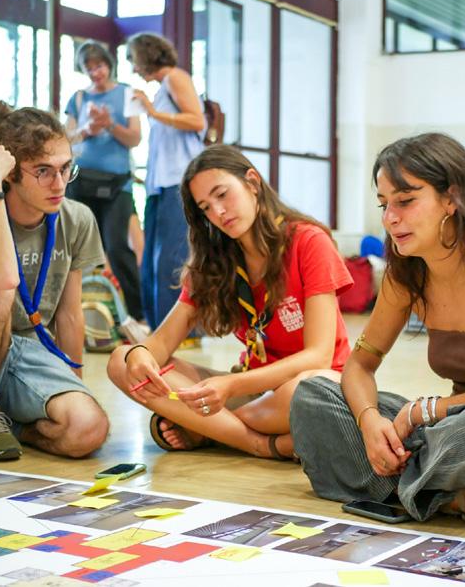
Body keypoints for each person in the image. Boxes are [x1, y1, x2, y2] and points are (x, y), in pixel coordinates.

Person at [107, 145, 353, 459]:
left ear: (252, 182)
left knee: (308, 389)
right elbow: (162, 342)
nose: (218, 212)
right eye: (206, 208)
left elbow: (318, 357)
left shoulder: (308, 241)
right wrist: (140, 356)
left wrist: (229, 388)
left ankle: (208, 431)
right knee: (121, 360)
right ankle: (261, 444)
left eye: (222, 194)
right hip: (252, 391)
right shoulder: (215, 260)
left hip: (312, 387)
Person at [290, 132, 465, 523]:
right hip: (447, 432)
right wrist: (370, 423)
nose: (390, 218)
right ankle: (448, 494)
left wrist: (426, 411)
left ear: (451, 198)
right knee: (312, 396)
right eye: (384, 205)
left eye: (405, 201)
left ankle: (420, 489)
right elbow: (359, 366)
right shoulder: (406, 275)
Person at [0, 100, 109, 460]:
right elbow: (4, 279)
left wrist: (76, 385)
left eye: (65, 168)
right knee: (2, 289)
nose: (59, 184)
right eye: (43, 171)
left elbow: (70, 314)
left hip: (25, 353)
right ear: (10, 173)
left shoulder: (76, 219)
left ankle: (12, 426)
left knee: (88, 428)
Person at [126, 32, 206, 330]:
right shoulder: (162, 88)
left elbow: (197, 120)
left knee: (172, 257)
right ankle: (157, 325)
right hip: (159, 185)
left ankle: (179, 329)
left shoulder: (175, 78)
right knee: (151, 259)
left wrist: (152, 112)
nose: (135, 68)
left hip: (179, 181)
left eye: (135, 61)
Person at [65, 40, 145, 327]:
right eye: (89, 68)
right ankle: (83, 313)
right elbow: (67, 139)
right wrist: (87, 129)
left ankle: (137, 315)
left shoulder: (127, 93)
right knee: (79, 249)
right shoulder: (78, 98)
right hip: (82, 182)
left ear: (109, 64)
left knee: (117, 245)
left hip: (117, 185)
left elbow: (135, 138)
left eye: (99, 66)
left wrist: (110, 124)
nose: (95, 73)